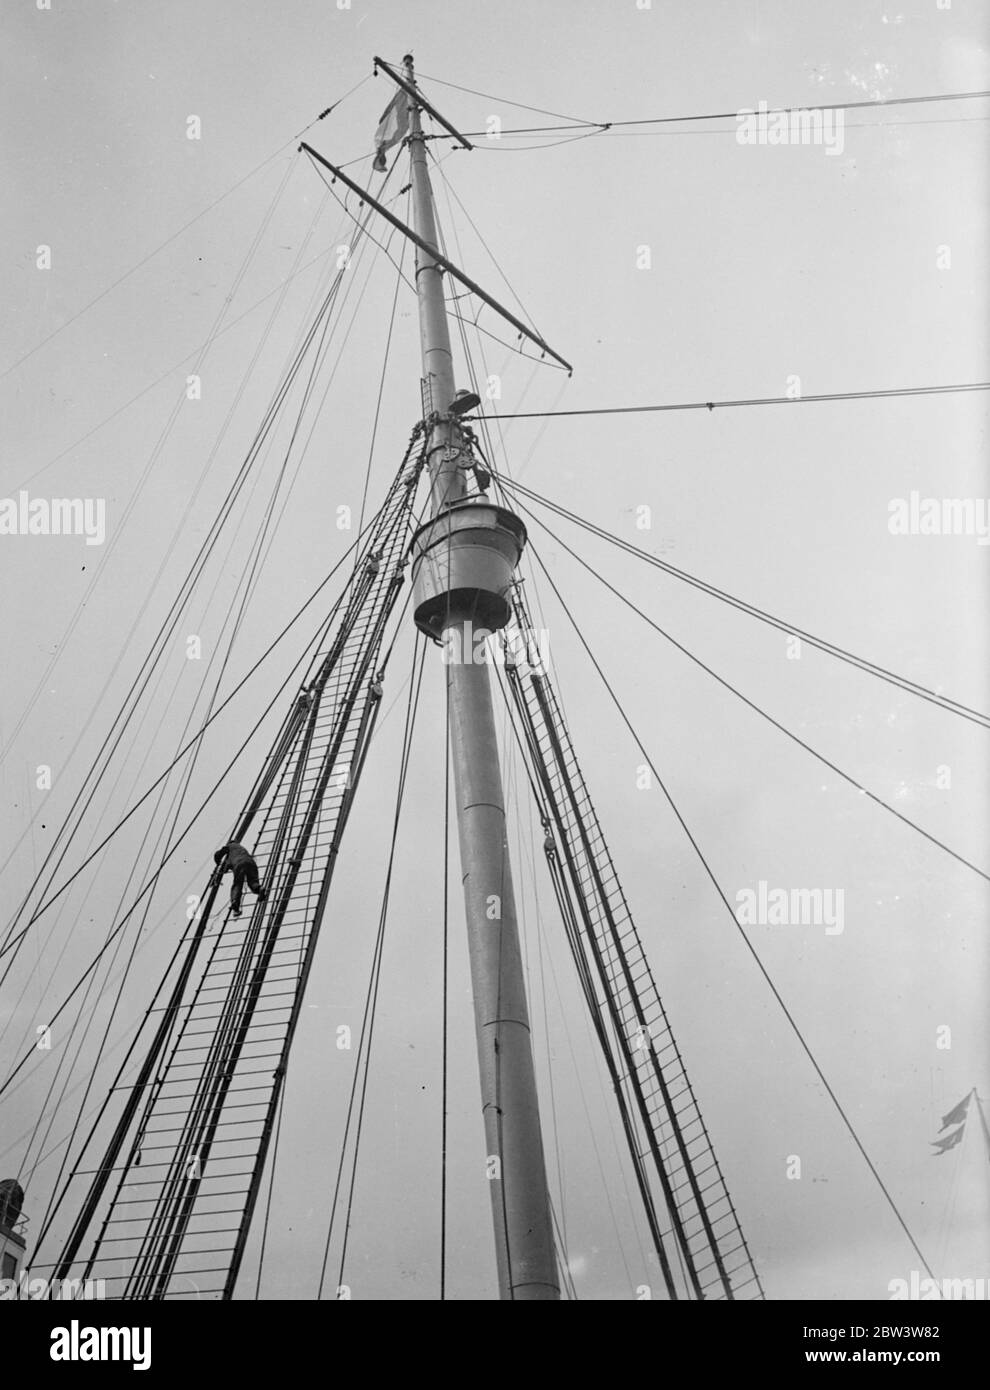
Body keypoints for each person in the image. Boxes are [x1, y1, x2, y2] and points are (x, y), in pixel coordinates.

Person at [213, 841, 267, 918]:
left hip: (239, 864)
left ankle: (235, 902)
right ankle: (259, 888)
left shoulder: (230, 848)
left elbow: (219, 855)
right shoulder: (242, 849)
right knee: (252, 881)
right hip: (251, 862)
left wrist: (218, 862)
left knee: (237, 884)